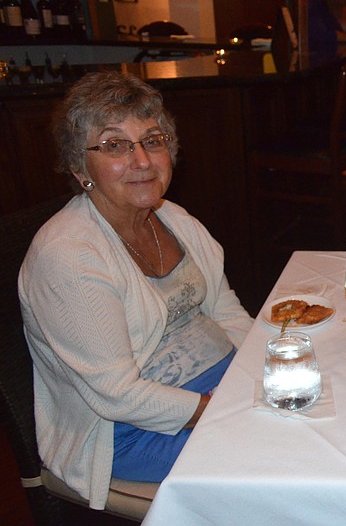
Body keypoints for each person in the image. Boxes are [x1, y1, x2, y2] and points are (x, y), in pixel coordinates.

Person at [18, 72, 253, 509]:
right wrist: (222, 410)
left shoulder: (175, 218)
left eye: (153, 140)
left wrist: (262, 371)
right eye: (114, 145)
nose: (142, 159)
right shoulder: (70, 256)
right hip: (127, 432)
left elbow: (227, 313)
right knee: (278, 453)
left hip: (221, 389)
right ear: (79, 167)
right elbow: (117, 394)